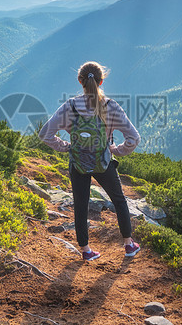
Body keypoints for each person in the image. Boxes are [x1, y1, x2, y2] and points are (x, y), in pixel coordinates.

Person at [38, 61, 141, 261]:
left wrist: (67, 147)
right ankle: (128, 245)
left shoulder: (70, 106)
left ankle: (86, 250)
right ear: (101, 81)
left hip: (77, 163)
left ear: (80, 81)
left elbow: (45, 134)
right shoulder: (110, 106)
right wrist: (116, 150)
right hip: (103, 162)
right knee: (119, 200)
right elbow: (134, 138)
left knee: (81, 204)